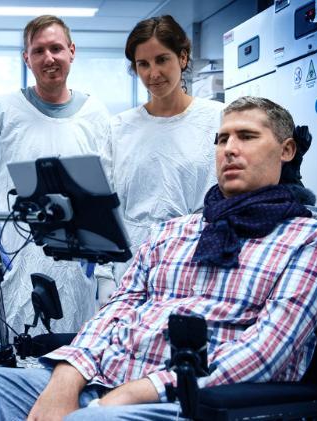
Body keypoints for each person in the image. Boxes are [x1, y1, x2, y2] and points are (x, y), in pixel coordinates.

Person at [0, 96, 317, 421]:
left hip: (195, 399)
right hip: (110, 375)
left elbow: (267, 351)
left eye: (247, 137)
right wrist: (68, 377)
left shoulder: (308, 240)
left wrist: (135, 393)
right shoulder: (178, 230)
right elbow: (118, 308)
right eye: (221, 140)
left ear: (286, 150)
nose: (230, 149)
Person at [0, 15, 113, 346]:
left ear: (72, 51)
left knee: (73, 359)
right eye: (39, 50)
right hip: (15, 256)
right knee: (16, 353)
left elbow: (110, 184)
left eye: (56, 48)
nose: (49, 58)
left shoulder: (96, 114)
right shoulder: (2, 110)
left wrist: (99, 257)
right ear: (26, 58)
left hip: (77, 260)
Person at [96, 15, 225, 299]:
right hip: (130, 268)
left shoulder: (218, 118)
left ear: (182, 57)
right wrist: (104, 276)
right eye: (143, 64)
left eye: (162, 60)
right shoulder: (119, 128)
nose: (153, 74)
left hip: (196, 267)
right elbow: (106, 208)